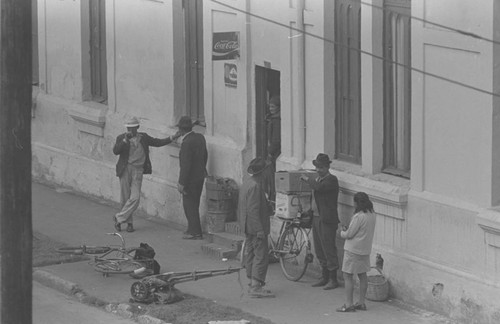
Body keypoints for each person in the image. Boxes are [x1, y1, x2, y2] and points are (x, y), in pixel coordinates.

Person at [113, 116, 180, 232]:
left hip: (138, 170)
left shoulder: (143, 138)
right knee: (125, 198)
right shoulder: (121, 138)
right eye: (128, 128)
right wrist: (125, 141)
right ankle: (128, 223)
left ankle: (118, 218)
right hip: (125, 169)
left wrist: (171, 138)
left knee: (135, 198)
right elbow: (116, 151)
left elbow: (157, 142)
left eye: (132, 128)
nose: (130, 130)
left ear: (137, 127)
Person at [300, 153, 340, 290]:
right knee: (319, 249)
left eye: (321, 167)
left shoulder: (331, 180)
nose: (318, 170)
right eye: (317, 167)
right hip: (316, 218)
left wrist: (307, 180)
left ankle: (333, 279)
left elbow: (319, 189)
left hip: (327, 220)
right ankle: (325, 277)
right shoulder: (318, 180)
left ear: (327, 167)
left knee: (328, 248)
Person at [239, 157, 275, 298]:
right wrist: (260, 229)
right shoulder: (255, 186)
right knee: (260, 255)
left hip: (248, 226)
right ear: (263, 172)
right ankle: (255, 286)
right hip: (255, 226)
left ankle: (252, 281)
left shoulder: (247, 183)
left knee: (251, 253)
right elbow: (253, 210)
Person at [336, 192, 377, 312]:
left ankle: (348, 304)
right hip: (365, 249)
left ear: (356, 203)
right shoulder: (372, 214)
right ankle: (361, 302)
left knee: (348, 275)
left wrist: (341, 232)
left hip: (353, 250)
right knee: (362, 275)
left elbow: (349, 234)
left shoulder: (359, 216)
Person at [176, 116, 208, 240]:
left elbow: (185, 165)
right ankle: (191, 228)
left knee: (189, 205)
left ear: (181, 130)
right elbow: (205, 155)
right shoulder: (200, 137)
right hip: (200, 176)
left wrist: (181, 182)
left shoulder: (186, 143)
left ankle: (195, 231)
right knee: (195, 203)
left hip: (189, 179)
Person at [263, 95, 281, 204]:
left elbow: (276, 139)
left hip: (274, 154)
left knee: (272, 178)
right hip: (272, 153)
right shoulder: (271, 118)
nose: (271, 108)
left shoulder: (277, 120)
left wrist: (270, 152)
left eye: (273, 106)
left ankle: (273, 201)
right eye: (270, 106)